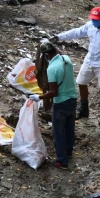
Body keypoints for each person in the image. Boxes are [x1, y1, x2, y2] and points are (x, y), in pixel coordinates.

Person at [29, 41, 78, 170]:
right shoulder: (66, 59)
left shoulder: (52, 68)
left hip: (61, 103)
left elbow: (53, 92)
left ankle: (62, 162)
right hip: (73, 100)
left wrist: (38, 97)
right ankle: (68, 151)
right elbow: (60, 52)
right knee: (69, 128)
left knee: (58, 132)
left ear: (46, 55)